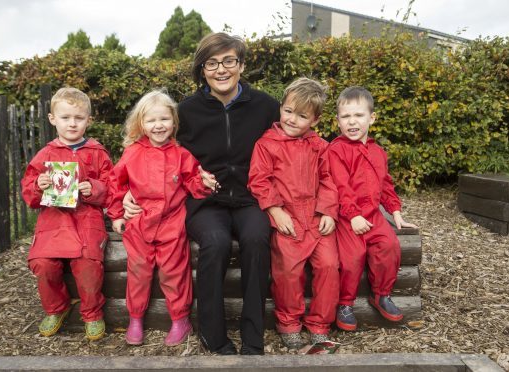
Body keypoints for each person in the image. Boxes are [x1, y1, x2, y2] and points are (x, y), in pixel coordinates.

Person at [123, 32, 280, 355]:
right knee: (216, 242)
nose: (221, 69)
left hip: (251, 198)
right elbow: (148, 148)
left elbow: (291, 144)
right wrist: (127, 190)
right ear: (202, 69)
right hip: (204, 201)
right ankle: (213, 334)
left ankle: (254, 335)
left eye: (229, 61)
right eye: (212, 63)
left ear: (241, 65)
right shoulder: (186, 111)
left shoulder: (265, 106)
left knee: (256, 239)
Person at [106, 90, 218, 347]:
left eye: (164, 119)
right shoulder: (132, 153)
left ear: (174, 122)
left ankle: (180, 319)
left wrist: (204, 183)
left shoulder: (181, 155)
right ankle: (135, 318)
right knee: (138, 272)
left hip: (171, 224)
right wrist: (117, 214)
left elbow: (192, 182)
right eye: (151, 120)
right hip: (140, 224)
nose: (158, 126)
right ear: (141, 123)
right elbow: (116, 184)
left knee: (174, 272)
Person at [248, 77, 339, 350]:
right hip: (286, 217)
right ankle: (288, 322)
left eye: (301, 116)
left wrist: (328, 212)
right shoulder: (267, 144)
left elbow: (328, 179)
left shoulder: (320, 146)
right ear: (281, 107)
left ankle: (319, 324)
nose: (291, 119)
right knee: (288, 271)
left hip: (315, 217)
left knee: (329, 265)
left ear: (315, 119)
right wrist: (276, 211)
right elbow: (259, 180)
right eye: (288, 111)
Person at [21, 87, 112, 341]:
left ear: (88, 121)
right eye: (65, 117)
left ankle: (92, 313)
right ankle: (56, 308)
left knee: (88, 266)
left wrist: (93, 188)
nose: (72, 123)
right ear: (53, 119)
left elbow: (112, 185)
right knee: (43, 263)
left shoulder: (97, 152)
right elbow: (28, 191)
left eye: (79, 118)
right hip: (54, 220)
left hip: (86, 220)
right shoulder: (46, 154)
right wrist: (38, 186)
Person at [328, 86, 418, 332]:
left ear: (372, 118)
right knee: (352, 257)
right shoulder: (336, 150)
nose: (352, 122)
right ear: (338, 121)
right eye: (346, 117)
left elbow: (386, 185)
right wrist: (353, 215)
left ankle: (380, 294)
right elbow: (340, 186)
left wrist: (396, 212)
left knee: (390, 246)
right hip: (347, 217)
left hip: (374, 215)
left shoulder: (378, 152)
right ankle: (345, 304)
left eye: (358, 115)